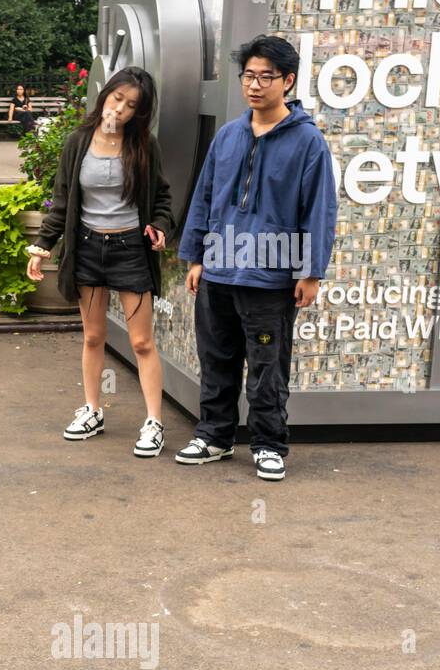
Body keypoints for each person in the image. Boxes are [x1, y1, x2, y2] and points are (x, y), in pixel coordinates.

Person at [175, 35, 336, 481]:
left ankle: (267, 443)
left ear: (287, 81)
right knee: (216, 357)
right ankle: (214, 436)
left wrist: (311, 271)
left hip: (270, 277)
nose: (256, 85)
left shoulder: (308, 142)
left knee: (267, 365)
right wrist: (195, 256)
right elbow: (204, 198)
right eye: (249, 75)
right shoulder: (228, 136)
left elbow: (318, 209)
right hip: (219, 271)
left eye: (267, 76)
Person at [30, 66, 175, 457]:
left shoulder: (144, 145)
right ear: (105, 95)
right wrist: (43, 245)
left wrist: (160, 226)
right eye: (117, 99)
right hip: (89, 248)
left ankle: (154, 422)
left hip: (130, 249)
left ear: (139, 113)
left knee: (142, 341)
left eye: (131, 106)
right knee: (93, 337)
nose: (122, 109)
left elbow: (162, 198)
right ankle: (93, 409)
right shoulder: (78, 142)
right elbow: (62, 201)